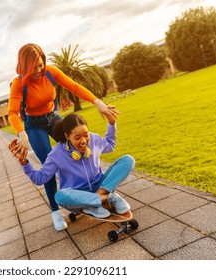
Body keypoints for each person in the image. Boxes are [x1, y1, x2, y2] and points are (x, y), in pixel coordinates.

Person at [8, 43, 118, 231]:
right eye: (34, 67)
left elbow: (74, 86)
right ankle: (55, 211)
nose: (39, 69)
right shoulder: (19, 84)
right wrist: (21, 133)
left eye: (41, 64)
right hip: (34, 125)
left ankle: (84, 194)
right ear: (24, 66)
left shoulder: (50, 72)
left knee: (76, 149)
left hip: (53, 118)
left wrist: (98, 102)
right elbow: (12, 112)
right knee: (48, 166)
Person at [9, 113, 134, 226]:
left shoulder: (94, 139)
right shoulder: (57, 154)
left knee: (128, 160)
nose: (84, 141)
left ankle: (96, 199)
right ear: (67, 136)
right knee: (59, 196)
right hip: (77, 196)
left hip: (100, 186)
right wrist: (24, 162)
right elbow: (40, 178)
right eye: (77, 137)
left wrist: (111, 123)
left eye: (86, 135)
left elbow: (110, 145)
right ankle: (108, 198)